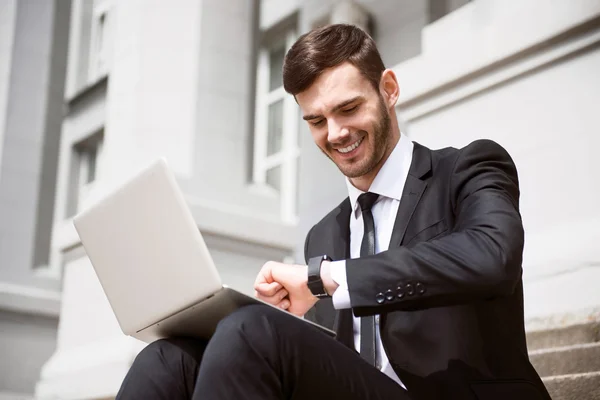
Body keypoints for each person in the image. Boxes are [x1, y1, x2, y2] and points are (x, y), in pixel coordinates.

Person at [115, 24, 551, 400]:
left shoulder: (467, 168)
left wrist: (327, 279)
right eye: (316, 120)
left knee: (251, 332)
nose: (336, 133)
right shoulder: (324, 235)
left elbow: (493, 255)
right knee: (167, 358)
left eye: (348, 108)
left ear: (389, 90)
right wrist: (297, 329)